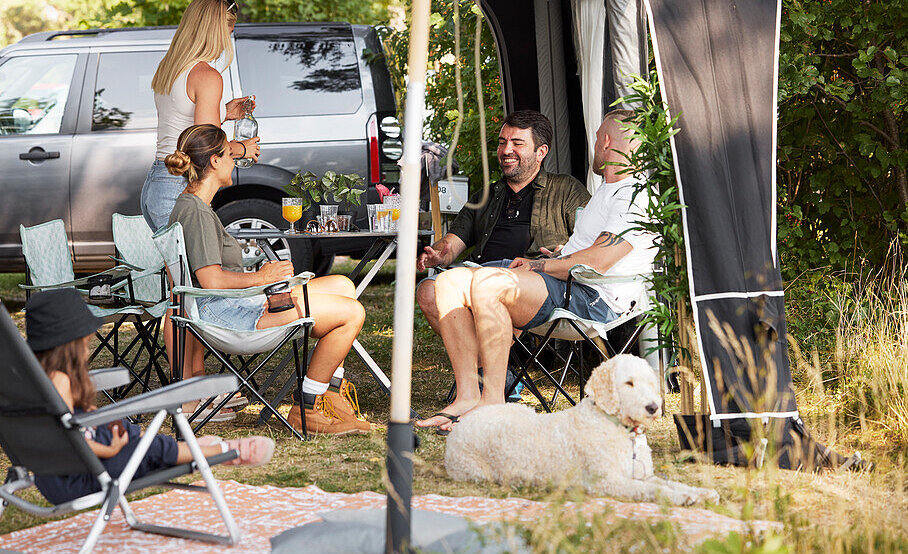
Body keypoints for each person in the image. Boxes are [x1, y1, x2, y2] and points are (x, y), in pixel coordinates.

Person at [417, 109, 657, 433]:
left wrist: (539, 264)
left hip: (592, 297)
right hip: (566, 283)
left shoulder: (634, 194)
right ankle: (467, 396)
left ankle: (493, 403)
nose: (595, 146)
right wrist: (562, 254)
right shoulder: (608, 190)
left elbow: (599, 259)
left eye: (598, 138)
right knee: (446, 283)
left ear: (607, 142)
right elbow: (587, 248)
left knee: (489, 284)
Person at [167, 124, 371, 435]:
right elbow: (211, 281)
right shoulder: (196, 213)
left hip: (230, 306)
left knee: (343, 285)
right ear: (215, 162)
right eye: (229, 154)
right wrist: (261, 277)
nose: (235, 161)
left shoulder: (193, 205)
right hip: (230, 315)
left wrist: (263, 281)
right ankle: (307, 407)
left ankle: (329, 392)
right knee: (351, 313)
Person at [26, 288, 275, 505]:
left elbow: (59, 430)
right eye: (84, 343)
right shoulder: (59, 380)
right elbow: (63, 441)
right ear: (69, 344)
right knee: (149, 449)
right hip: (79, 475)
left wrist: (90, 416)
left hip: (58, 476)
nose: (86, 349)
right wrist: (106, 448)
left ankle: (194, 448)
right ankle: (223, 452)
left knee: (125, 429)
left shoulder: (37, 378)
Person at [416, 110, 589, 400]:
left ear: (541, 151)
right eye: (502, 142)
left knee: (492, 287)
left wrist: (562, 253)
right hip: (482, 275)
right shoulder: (487, 194)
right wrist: (439, 253)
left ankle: (485, 381)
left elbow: (587, 242)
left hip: (534, 281)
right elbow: (454, 241)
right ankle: (493, 375)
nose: (506, 150)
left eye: (517, 143)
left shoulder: (565, 189)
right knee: (428, 291)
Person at [140, 0, 261, 231]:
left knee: (178, 268)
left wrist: (222, 112)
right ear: (216, 33)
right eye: (228, 32)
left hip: (157, 180)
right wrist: (243, 149)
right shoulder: (207, 75)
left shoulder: (170, 68)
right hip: (181, 185)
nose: (228, 40)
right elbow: (206, 146)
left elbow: (181, 119)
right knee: (200, 267)